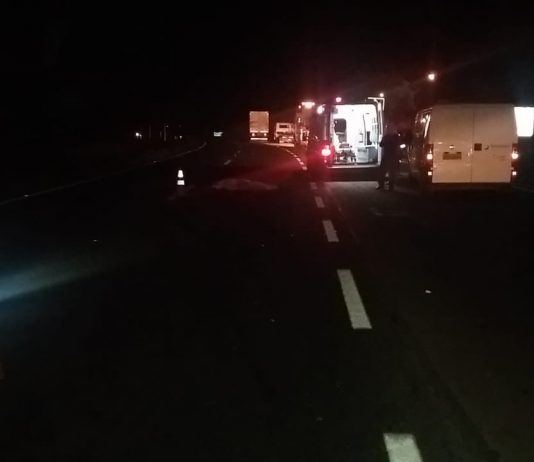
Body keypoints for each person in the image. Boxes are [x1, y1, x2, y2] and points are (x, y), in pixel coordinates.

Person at [377, 125, 401, 191]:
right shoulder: (396, 137)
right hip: (393, 156)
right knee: (391, 172)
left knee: (382, 171)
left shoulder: (386, 137)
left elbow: (381, 144)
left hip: (387, 156)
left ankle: (381, 185)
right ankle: (390, 187)